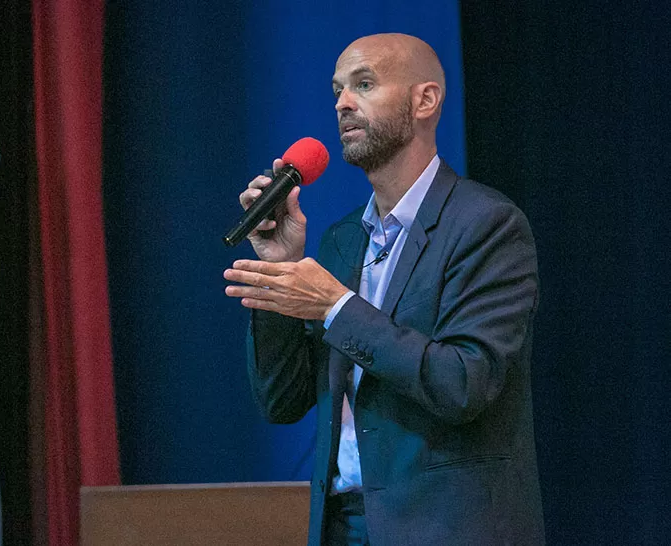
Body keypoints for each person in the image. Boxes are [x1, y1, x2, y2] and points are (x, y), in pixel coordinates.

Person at [223, 33, 544, 546]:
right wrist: (280, 272)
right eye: (336, 91)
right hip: (342, 526)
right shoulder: (343, 240)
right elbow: (282, 402)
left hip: (444, 528)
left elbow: (464, 383)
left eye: (364, 84)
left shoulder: (487, 225)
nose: (342, 103)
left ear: (425, 100)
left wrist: (336, 306)